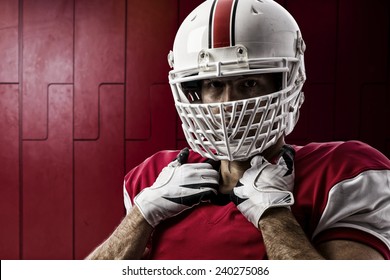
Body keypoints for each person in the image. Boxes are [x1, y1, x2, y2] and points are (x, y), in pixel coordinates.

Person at [86, 0, 390, 260]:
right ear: (195, 92)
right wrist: (142, 215)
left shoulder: (341, 174)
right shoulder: (153, 177)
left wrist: (273, 215)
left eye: (248, 83)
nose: (229, 104)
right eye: (215, 85)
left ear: (286, 84)